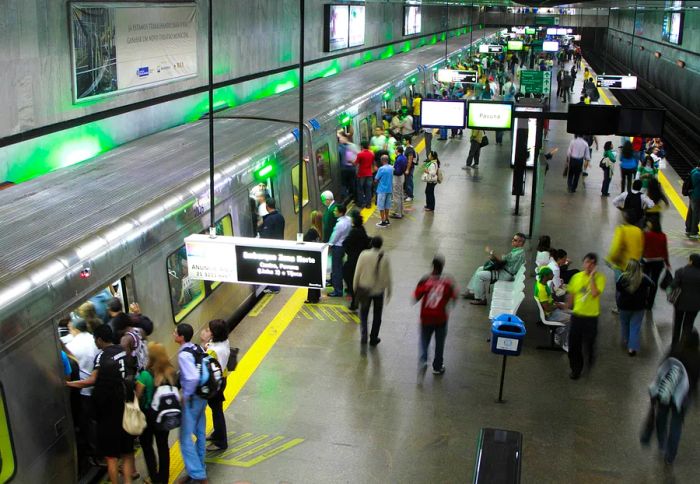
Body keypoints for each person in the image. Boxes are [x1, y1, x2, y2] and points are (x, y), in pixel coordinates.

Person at [67, 324, 135, 484]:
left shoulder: (101, 358)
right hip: (126, 413)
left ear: (99, 339)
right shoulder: (121, 350)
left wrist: (69, 384)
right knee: (126, 454)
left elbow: (91, 381)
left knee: (111, 458)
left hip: (109, 420)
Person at [641, 330, 700, 465]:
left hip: (666, 393)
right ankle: (670, 455)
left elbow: (662, 369)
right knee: (676, 424)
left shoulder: (674, 351)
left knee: (661, 417)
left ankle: (662, 444)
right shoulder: (697, 357)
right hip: (683, 396)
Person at [135, 342, 177, 484]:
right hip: (164, 415)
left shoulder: (145, 375)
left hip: (148, 416)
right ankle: (164, 479)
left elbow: (138, 396)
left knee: (147, 447)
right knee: (163, 446)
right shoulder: (170, 371)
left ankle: (154, 478)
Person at [175, 323, 208, 483]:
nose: (174, 334)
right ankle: (200, 467)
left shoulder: (183, 355)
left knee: (185, 438)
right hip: (203, 395)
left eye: (176, 333)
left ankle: (198, 475)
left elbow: (193, 377)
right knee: (200, 434)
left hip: (193, 398)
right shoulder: (196, 347)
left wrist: (186, 395)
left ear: (181, 337)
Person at [414, 256, 457, 375]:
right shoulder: (448, 281)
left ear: (432, 266)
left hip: (426, 317)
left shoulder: (425, 280)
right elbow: (454, 296)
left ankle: (423, 361)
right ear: (442, 266)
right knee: (439, 343)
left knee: (424, 341)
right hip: (441, 318)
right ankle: (437, 366)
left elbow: (416, 296)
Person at [567, 253, 606, 380]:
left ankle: (590, 359)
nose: (589, 265)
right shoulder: (576, 277)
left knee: (589, 344)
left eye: (592, 263)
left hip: (591, 318)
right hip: (577, 316)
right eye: (587, 262)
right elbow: (571, 296)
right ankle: (576, 369)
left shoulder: (600, 278)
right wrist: (567, 306)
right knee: (574, 345)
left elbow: (595, 293)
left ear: (595, 265)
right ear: (583, 263)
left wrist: (592, 278)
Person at [66, 317, 99, 464]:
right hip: (98, 387)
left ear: (75, 330)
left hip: (84, 390)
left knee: (88, 422)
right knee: (98, 418)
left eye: (70, 329)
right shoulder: (94, 339)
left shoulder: (73, 346)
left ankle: (95, 452)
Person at [462, 233, 527, 306]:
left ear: (521, 242)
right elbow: (505, 259)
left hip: (506, 274)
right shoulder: (518, 251)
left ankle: (481, 299)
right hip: (505, 271)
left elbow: (502, 259)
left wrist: (491, 252)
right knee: (480, 268)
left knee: (479, 275)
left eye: (515, 240)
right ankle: (473, 292)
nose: (512, 240)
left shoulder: (518, 253)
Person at [353, 236, 392, 346]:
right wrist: (389, 291)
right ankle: (374, 337)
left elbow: (357, 272)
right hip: (378, 291)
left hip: (365, 289)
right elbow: (388, 276)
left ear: (371, 243)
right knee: (377, 315)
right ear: (381, 244)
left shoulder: (364, 254)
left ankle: (364, 335)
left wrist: (355, 287)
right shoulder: (385, 257)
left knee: (364, 313)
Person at [200, 319, 231, 452]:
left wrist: (202, 343)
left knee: (217, 410)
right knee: (216, 408)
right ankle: (217, 434)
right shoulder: (224, 342)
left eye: (208, 330)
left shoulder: (212, 351)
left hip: (215, 382)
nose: (205, 331)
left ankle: (221, 441)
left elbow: (203, 361)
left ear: (213, 334)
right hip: (222, 377)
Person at [616, 260, 654, 356]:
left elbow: (618, 288)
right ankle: (632, 348)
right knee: (635, 327)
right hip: (639, 307)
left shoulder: (622, 277)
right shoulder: (643, 278)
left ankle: (626, 340)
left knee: (625, 324)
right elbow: (653, 285)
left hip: (624, 306)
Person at [536, 267, 571, 350]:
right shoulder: (542, 290)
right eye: (551, 274)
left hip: (553, 309)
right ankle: (564, 341)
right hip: (550, 314)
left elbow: (549, 301)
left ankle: (558, 332)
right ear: (546, 276)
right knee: (572, 319)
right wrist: (557, 305)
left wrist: (556, 304)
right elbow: (547, 308)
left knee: (573, 313)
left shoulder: (541, 284)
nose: (553, 275)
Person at [670, 254, 700, 348]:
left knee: (678, 323)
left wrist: (668, 290)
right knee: (688, 324)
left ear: (691, 261)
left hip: (680, 303)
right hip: (695, 305)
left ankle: (675, 343)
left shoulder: (681, 271)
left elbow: (673, 286)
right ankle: (684, 344)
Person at [343, 209, 370, 310]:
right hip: (361, 258)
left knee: (349, 277)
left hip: (354, 260)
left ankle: (354, 300)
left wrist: (349, 252)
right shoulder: (362, 229)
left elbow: (345, 243)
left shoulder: (354, 231)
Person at [642, 217, 671, 310]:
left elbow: (642, 247)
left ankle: (643, 300)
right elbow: (665, 250)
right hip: (659, 262)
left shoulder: (647, 235)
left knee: (645, 281)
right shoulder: (663, 236)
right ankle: (650, 304)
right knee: (654, 282)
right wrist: (667, 263)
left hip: (647, 261)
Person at [606, 211, 644, 281]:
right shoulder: (638, 230)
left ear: (625, 218)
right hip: (634, 265)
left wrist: (609, 259)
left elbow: (616, 246)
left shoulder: (621, 229)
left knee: (621, 286)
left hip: (622, 265)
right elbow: (641, 248)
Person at [259, 197, 285, 294]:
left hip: (271, 247)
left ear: (267, 207)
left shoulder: (269, 219)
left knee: (271, 266)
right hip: (280, 244)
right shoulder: (280, 216)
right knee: (277, 265)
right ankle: (276, 284)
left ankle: (274, 287)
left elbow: (266, 234)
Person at [328, 203, 351, 297]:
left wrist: (329, 246)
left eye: (335, 210)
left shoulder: (339, 224)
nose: (334, 211)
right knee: (339, 267)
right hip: (343, 246)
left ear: (340, 213)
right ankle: (339, 288)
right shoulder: (348, 220)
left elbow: (334, 238)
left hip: (337, 247)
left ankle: (338, 290)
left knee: (336, 269)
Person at [304, 210, 323, 303]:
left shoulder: (312, 231)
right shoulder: (319, 229)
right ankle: (316, 296)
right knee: (315, 277)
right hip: (316, 256)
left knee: (311, 278)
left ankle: (312, 298)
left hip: (311, 256)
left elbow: (305, 241)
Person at [374, 155, 394, 228]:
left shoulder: (381, 169)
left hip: (382, 190)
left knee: (381, 206)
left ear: (382, 161)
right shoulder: (392, 168)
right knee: (387, 205)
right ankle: (387, 219)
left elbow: (376, 179)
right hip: (389, 189)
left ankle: (383, 221)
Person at [354, 141, 375, 209]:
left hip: (361, 174)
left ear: (362, 146)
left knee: (360, 189)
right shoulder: (372, 154)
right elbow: (372, 163)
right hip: (369, 174)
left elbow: (356, 163)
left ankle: (361, 203)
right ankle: (368, 204)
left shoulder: (360, 154)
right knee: (368, 189)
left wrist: (350, 161)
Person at [390, 146, 407, 219]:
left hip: (397, 178)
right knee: (400, 195)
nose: (394, 150)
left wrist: (392, 169)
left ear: (398, 150)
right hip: (402, 177)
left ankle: (398, 213)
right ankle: (401, 212)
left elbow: (397, 171)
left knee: (396, 195)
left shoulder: (399, 159)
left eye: (395, 149)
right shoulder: (404, 157)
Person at [688, 161, 700, 239]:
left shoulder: (694, 171)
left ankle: (688, 228)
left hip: (693, 195)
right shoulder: (697, 174)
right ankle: (693, 232)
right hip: (697, 196)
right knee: (696, 214)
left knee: (691, 213)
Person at [403, 137, 417, 202]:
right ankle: (407, 194)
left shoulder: (410, 149)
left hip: (409, 168)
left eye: (404, 140)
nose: (403, 141)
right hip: (406, 168)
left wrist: (408, 169)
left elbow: (410, 160)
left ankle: (410, 195)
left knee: (409, 181)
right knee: (406, 181)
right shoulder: (406, 148)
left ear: (407, 141)